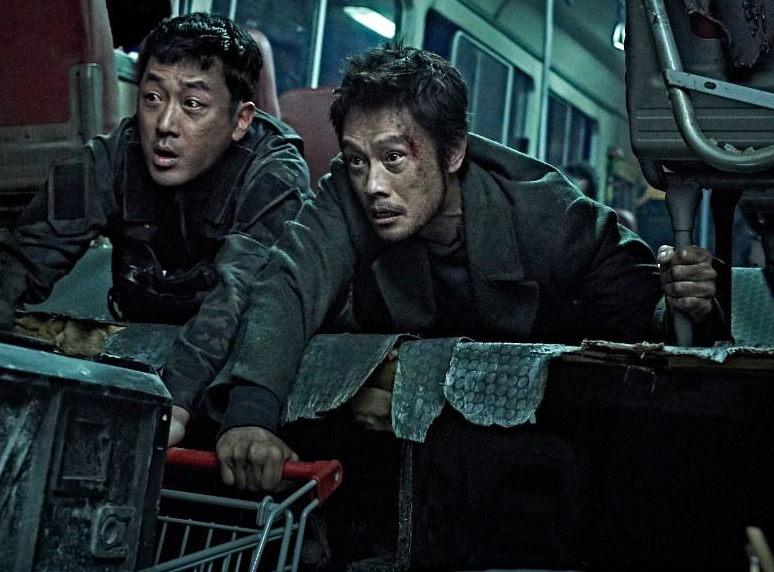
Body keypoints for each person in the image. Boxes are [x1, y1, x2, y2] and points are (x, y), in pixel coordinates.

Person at [213, 42, 723, 491]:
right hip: (411, 450)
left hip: (542, 444)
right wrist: (251, 415)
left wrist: (687, 301)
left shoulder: (547, 214)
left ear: (454, 151)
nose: (372, 185)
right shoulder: (347, 193)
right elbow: (289, 283)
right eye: (357, 159)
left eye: (394, 158)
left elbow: (650, 315)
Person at [0, 13, 311, 445]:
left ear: (240, 120)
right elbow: (15, 255)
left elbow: (238, 294)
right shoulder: (114, 156)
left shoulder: (275, 172)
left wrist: (171, 402)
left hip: (225, 381)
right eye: (152, 98)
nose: (165, 124)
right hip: (144, 347)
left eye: (192, 104)